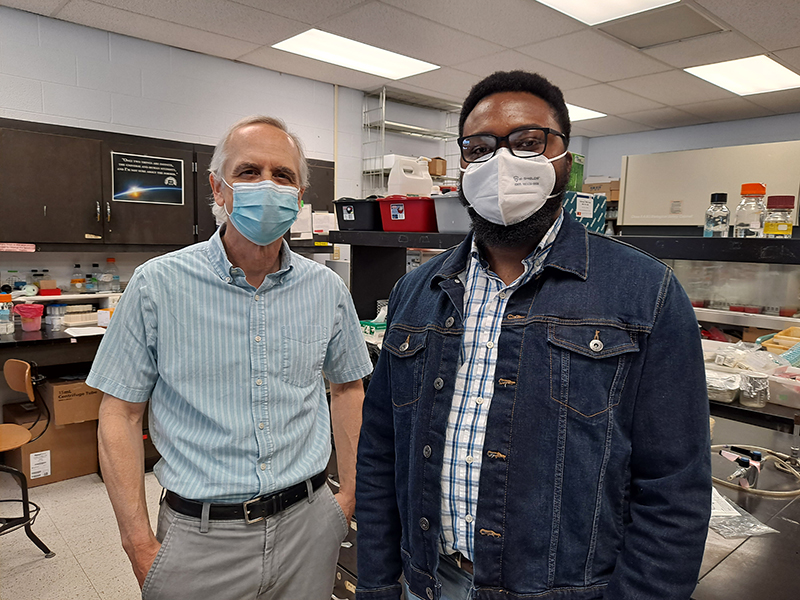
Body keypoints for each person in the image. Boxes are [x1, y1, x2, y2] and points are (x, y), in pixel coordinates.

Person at [355, 71, 711, 600]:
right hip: (430, 583)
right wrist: (379, 584)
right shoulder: (417, 291)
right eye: (479, 149)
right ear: (462, 167)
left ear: (565, 162)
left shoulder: (646, 292)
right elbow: (381, 451)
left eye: (527, 143)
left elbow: (673, 490)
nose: (501, 163)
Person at [88, 115, 372, 600]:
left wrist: (346, 497)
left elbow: (347, 389)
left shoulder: (326, 288)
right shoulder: (157, 284)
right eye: (248, 172)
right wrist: (137, 543)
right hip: (200, 540)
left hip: (309, 526)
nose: (268, 185)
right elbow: (119, 412)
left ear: (299, 196)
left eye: (282, 175)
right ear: (218, 189)